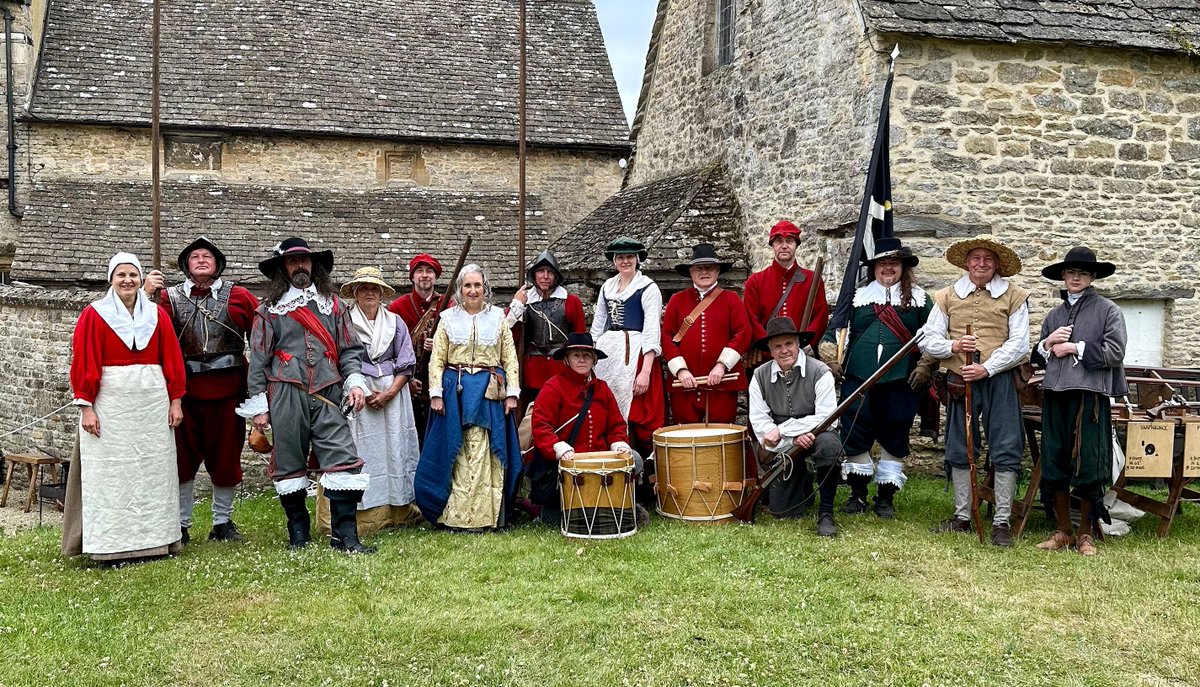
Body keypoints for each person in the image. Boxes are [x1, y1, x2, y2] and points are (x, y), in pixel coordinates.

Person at [237, 237, 375, 553]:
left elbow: (351, 349)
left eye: (304, 260)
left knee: (343, 458)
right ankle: (298, 534)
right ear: (282, 269)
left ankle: (346, 537)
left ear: (314, 265)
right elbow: (258, 358)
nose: (300, 265)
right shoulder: (268, 312)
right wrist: (260, 406)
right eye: (292, 261)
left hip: (329, 392)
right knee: (288, 462)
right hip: (285, 393)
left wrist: (354, 382)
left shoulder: (335, 306)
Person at [63, 252, 186, 562]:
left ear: (140, 277)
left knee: (152, 471)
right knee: (112, 474)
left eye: (133, 274)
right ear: (111, 280)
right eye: (121, 275)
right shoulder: (94, 314)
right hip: (111, 404)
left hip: (151, 403)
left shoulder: (157, 315)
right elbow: (85, 361)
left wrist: (176, 401)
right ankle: (111, 544)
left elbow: (172, 359)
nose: (128, 280)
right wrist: (87, 407)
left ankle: (156, 541)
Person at [143, 237, 258, 544]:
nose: (202, 259)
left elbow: (261, 338)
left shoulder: (241, 297)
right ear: (186, 265)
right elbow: (146, 333)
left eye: (208, 255)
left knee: (226, 458)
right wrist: (145, 295)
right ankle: (180, 524)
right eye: (195, 256)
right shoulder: (166, 299)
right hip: (185, 393)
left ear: (218, 264)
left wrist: (259, 392)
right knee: (181, 460)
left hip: (229, 391)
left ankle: (222, 523)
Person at [920, 235, 1030, 547]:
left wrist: (988, 367)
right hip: (960, 379)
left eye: (988, 259)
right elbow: (927, 338)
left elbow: (1020, 342)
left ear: (997, 265)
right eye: (975, 258)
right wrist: (952, 345)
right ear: (967, 262)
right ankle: (962, 517)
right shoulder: (946, 296)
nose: (981, 264)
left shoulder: (1015, 296)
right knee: (959, 446)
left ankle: (1001, 522)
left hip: (1000, 379)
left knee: (1006, 446)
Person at [818, 237, 932, 520]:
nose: (888, 268)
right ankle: (858, 494)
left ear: (903, 267)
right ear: (875, 268)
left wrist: (926, 366)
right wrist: (831, 359)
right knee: (855, 434)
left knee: (895, 435)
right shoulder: (857, 298)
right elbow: (835, 330)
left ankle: (885, 497)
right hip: (859, 379)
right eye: (883, 263)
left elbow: (935, 336)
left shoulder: (920, 299)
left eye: (894, 263)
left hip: (900, 381)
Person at [413, 264, 523, 531]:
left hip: (489, 391)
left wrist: (512, 394)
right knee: (454, 447)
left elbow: (510, 358)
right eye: (467, 286)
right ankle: (453, 516)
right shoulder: (448, 318)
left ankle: (488, 516)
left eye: (477, 285)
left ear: (485, 288)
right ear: (461, 290)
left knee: (487, 449)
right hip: (455, 391)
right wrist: (436, 394)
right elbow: (437, 360)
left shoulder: (497, 318)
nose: (473, 291)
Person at [1035, 247, 1127, 556]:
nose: (1076, 277)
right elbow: (1037, 357)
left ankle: (1085, 535)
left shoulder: (1108, 310)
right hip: (1055, 395)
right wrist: (1049, 342)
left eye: (1083, 273)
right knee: (1055, 459)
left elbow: (1115, 353)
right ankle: (1063, 530)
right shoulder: (1054, 315)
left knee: (1089, 462)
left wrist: (1075, 347)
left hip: (1090, 396)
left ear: (1092, 277)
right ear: (1063, 275)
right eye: (1071, 272)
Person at [339, 266, 423, 534]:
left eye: (374, 289)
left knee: (394, 447)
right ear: (354, 293)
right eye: (363, 288)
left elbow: (406, 364)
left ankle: (397, 508)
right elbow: (341, 358)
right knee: (364, 450)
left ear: (382, 294)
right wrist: (361, 389)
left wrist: (388, 393)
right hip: (358, 391)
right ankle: (365, 512)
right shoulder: (345, 322)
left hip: (392, 393)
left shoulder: (395, 323)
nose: (369, 293)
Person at [748, 318, 844, 536]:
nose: (784, 351)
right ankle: (801, 483)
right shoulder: (759, 376)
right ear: (770, 351)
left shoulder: (820, 371)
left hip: (818, 433)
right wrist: (792, 439)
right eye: (778, 346)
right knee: (783, 511)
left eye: (789, 344)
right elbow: (761, 425)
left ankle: (826, 513)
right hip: (785, 445)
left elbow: (828, 417)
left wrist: (785, 430)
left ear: (798, 344)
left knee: (830, 446)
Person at [528, 332, 635, 525]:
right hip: (568, 461)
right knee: (556, 519)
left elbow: (616, 424)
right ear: (567, 359)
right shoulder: (553, 387)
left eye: (587, 356)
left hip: (600, 459)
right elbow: (541, 426)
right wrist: (558, 448)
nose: (582, 360)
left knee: (634, 459)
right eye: (576, 355)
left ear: (594, 360)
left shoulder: (602, 388)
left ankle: (616, 505)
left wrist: (618, 443)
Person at [590, 236, 665, 461]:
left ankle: (643, 468)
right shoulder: (607, 286)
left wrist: (645, 372)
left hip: (637, 355)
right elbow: (597, 325)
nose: (625, 262)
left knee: (639, 412)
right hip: (609, 355)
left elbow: (652, 331)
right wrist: (593, 354)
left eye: (629, 257)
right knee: (607, 405)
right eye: (620, 257)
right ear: (614, 261)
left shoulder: (648, 288)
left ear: (637, 259)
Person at [662, 243, 752, 425]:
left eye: (709, 268)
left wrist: (722, 366)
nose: (704, 272)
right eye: (699, 268)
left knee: (722, 437)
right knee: (687, 439)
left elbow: (743, 333)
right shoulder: (676, 300)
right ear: (691, 272)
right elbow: (666, 337)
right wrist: (681, 370)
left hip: (722, 384)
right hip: (685, 385)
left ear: (717, 271)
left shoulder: (731, 299)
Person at [506, 249, 587, 406]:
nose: (545, 276)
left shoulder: (571, 302)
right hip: (532, 371)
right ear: (534, 276)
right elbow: (510, 336)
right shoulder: (525, 301)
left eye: (550, 272)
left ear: (556, 276)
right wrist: (516, 306)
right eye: (541, 271)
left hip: (561, 369)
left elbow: (579, 341)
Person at [388, 253, 450, 443]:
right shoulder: (397, 308)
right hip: (407, 382)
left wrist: (440, 344)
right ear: (413, 277)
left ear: (436, 276)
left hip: (440, 383)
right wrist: (406, 380)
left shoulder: (448, 305)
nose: (425, 275)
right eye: (420, 271)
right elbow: (390, 350)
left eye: (429, 271)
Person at [742, 220, 830, 348]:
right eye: (779, 241)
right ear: (772, 245)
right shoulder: (755, 281)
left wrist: (807, 345)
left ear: (796, 245)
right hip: (767, 354)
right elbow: (751, 319)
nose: (784, 246)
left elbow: (820, 317)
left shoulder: (812, 279)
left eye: (789, 241)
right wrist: (770, 346)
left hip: (803, 353)